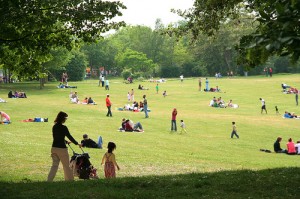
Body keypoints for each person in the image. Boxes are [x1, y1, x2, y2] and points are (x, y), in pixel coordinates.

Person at [47, 111, 81, 181]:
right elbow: (69, 136)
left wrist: (65, 141)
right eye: (65, 118)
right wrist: (77, 143)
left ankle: (49, 180)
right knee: (67, 166)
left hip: (54, 148)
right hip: (62, 149)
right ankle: (70, 180)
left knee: (54, 166)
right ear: (63, 119)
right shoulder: (64, 127)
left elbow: (57, 137)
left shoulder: (54, 126)